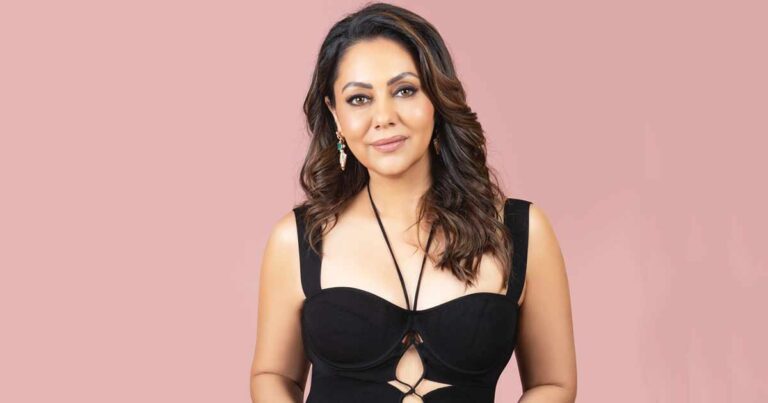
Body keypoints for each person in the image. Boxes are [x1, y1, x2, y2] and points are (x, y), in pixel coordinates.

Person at [250, 2, 576, 402]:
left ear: (436, 98)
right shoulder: (299, 239)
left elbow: (553, 383)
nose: (384, 117)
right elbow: (273, 374)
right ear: (334, 114)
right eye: (359, 99)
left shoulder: (519, 231)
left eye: (404, 91)